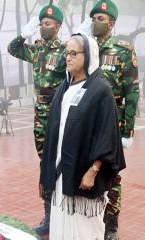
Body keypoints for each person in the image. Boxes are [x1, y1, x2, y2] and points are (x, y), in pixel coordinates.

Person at [40, 33, 126, 240]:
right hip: (62, 173)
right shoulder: (64, 88)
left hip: (84, 176)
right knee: (62, 227)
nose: (67, 58)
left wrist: (93, 170)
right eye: (66, 53)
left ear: (87, 56)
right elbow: (54, 131)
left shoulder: (100, 90)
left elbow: (107, 135)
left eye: (73, 53)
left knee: (84, 230)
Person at [77, 1, 140, 238]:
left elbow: (132, 92)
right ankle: (91, 217)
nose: (95, 22)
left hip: (112, 122)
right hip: (88, 121)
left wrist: (127, 131)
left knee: (111, 174)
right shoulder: (86, 49)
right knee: (88, 168)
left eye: (101, 19)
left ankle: (111, 224)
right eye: (94, 18)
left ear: (111, 23)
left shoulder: (123, 50)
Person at [7, 3, 66, 235]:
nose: (43, 27)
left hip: (58, 113)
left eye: (48, 24)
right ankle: (49, 216)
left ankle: (63, 213)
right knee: (44, 165)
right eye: (41, 24)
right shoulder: (37, 49)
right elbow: (12, 49)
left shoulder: (64, 50)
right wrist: (24, 33)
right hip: (40, 115)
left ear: (58, 26)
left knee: (60, 161)